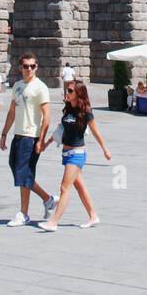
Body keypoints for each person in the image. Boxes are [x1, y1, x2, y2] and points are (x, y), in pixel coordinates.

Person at [41, 82, 111, 232]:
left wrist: (105, 149)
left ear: (79, 93)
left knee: (64, 187)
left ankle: (53, 222)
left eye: (71, 90)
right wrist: (45, 144)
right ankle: (93, 216)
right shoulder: (68, 109)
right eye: (67, 90)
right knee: (80, 187)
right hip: (66, 153)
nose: (68, 92)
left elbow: (95, 131)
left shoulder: (85, 111)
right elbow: (60, 130)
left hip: (77, 154)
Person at [0, 52, 56, 226]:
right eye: (25, 66)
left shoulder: (41, 87)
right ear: (20, 67)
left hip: (31, 137)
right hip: (18, 135)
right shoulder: (17, 85)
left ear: (36, 67)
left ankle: (24, 213)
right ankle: (48, 199)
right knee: (20, 171)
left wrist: (41, 139)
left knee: (22, 172)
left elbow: (47, 116)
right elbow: (11, 112)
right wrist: (4, 134)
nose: (29, 69)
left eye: (32, 66)